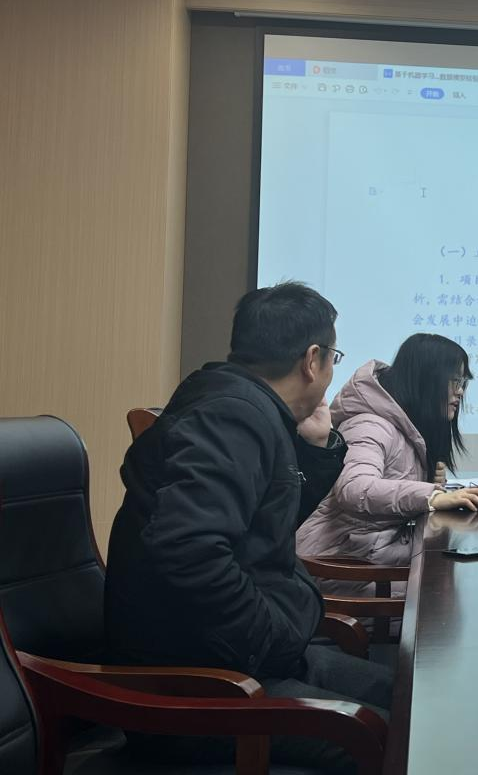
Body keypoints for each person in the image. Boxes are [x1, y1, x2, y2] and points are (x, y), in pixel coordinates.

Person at [104, 282, 392, 773]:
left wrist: (314, 450)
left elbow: (259, 529)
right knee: (390, 737)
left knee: (410, 697)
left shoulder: (241, 404)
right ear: (313, 360)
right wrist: (271, 637)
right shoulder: (230, 416)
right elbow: (187, 550)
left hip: (234, 657)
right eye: (333, 358)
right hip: (199, 686)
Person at [297, 333, 478, 589]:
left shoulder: (405, 427)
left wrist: (432, 487)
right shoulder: (371, 425)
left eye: (463, 383)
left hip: (367, 561)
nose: (460, 392)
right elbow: (355, 488)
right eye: (455, 381)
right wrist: (431, 496)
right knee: (448, 591)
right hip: (339, 571)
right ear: (426, 380)